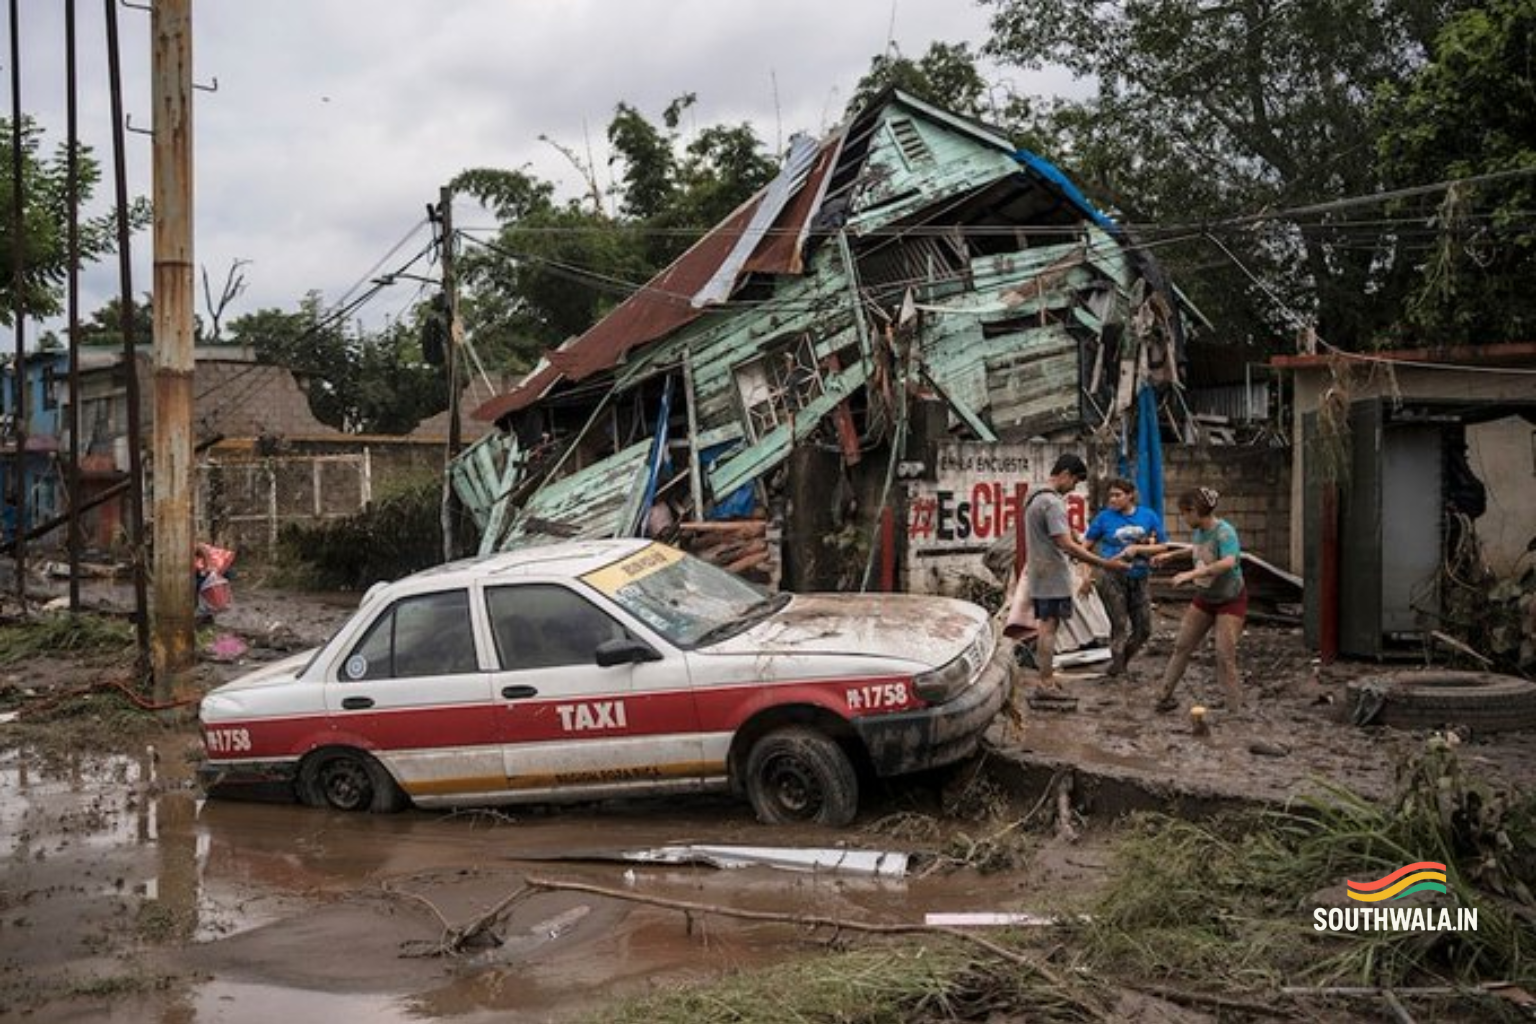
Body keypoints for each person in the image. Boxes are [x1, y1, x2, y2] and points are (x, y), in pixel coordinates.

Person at [1129, 487, 1247, 714]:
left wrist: (1190, 575)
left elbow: (1228, 562)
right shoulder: (1201, 531)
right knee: (1182, 646)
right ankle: (1164, 696)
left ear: (1195, 511)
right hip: (1206, 597)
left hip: (1230, 599)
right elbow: (1198, 549)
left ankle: (1234, 710)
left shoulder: (1224, 532)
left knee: (1224, 655)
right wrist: (1171, 555)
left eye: (1184, 513)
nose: (1183, 518)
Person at [1023, 453, 1127, 691]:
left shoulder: (1033, 497)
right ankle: (1046, 682)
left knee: (1046, 626)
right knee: (1050, 627)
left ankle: (1045, 677)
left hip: (1040, 571)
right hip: (1052, 575)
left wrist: (1074, 540)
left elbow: (1059, 537)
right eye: (1075, 482)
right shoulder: (1052, 502)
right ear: (1066, 475)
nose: (1073, 488)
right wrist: (1105, 563)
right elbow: (1066, 544)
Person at [1079, 477, 1165, 677]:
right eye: (1110, 496)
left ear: (1130, 496)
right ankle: (1119, 670)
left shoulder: (1148, 516)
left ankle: (1120, 664)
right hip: (1111, 577)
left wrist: (1137, 548)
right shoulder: (1103, 518)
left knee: (1144, 629)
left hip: (1140, 577)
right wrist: (1086, 575)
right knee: (1119, 625)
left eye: (1117, 495)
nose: (1113, 500)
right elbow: (1084, 548)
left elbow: (1162, 546)